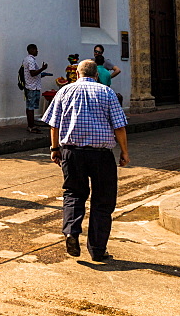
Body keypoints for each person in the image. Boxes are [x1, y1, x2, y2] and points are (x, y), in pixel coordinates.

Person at [42, 58, 129, 262]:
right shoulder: (106, 92)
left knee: (73, 193)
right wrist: (124, 151)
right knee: (103, 200)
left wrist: (55, 149)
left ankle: (71, 232)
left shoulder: (64, 91)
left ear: (78, 74)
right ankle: (98, 249)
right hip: (101, 155)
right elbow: (119, 126)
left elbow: (53, 124)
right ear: (96, 75)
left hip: (72, 152)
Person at [22, 43, 48, 133]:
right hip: (32, 87)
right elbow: (32, 73)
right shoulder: (31, 60)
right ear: (31, 50)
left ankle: (31, 125)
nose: (37, 51)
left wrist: (41, 74)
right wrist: (42, 69)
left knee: (30, 107)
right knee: (30, 107)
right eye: (36, 49)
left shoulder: (27, 59)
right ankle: (31, 126)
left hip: (31, 85)